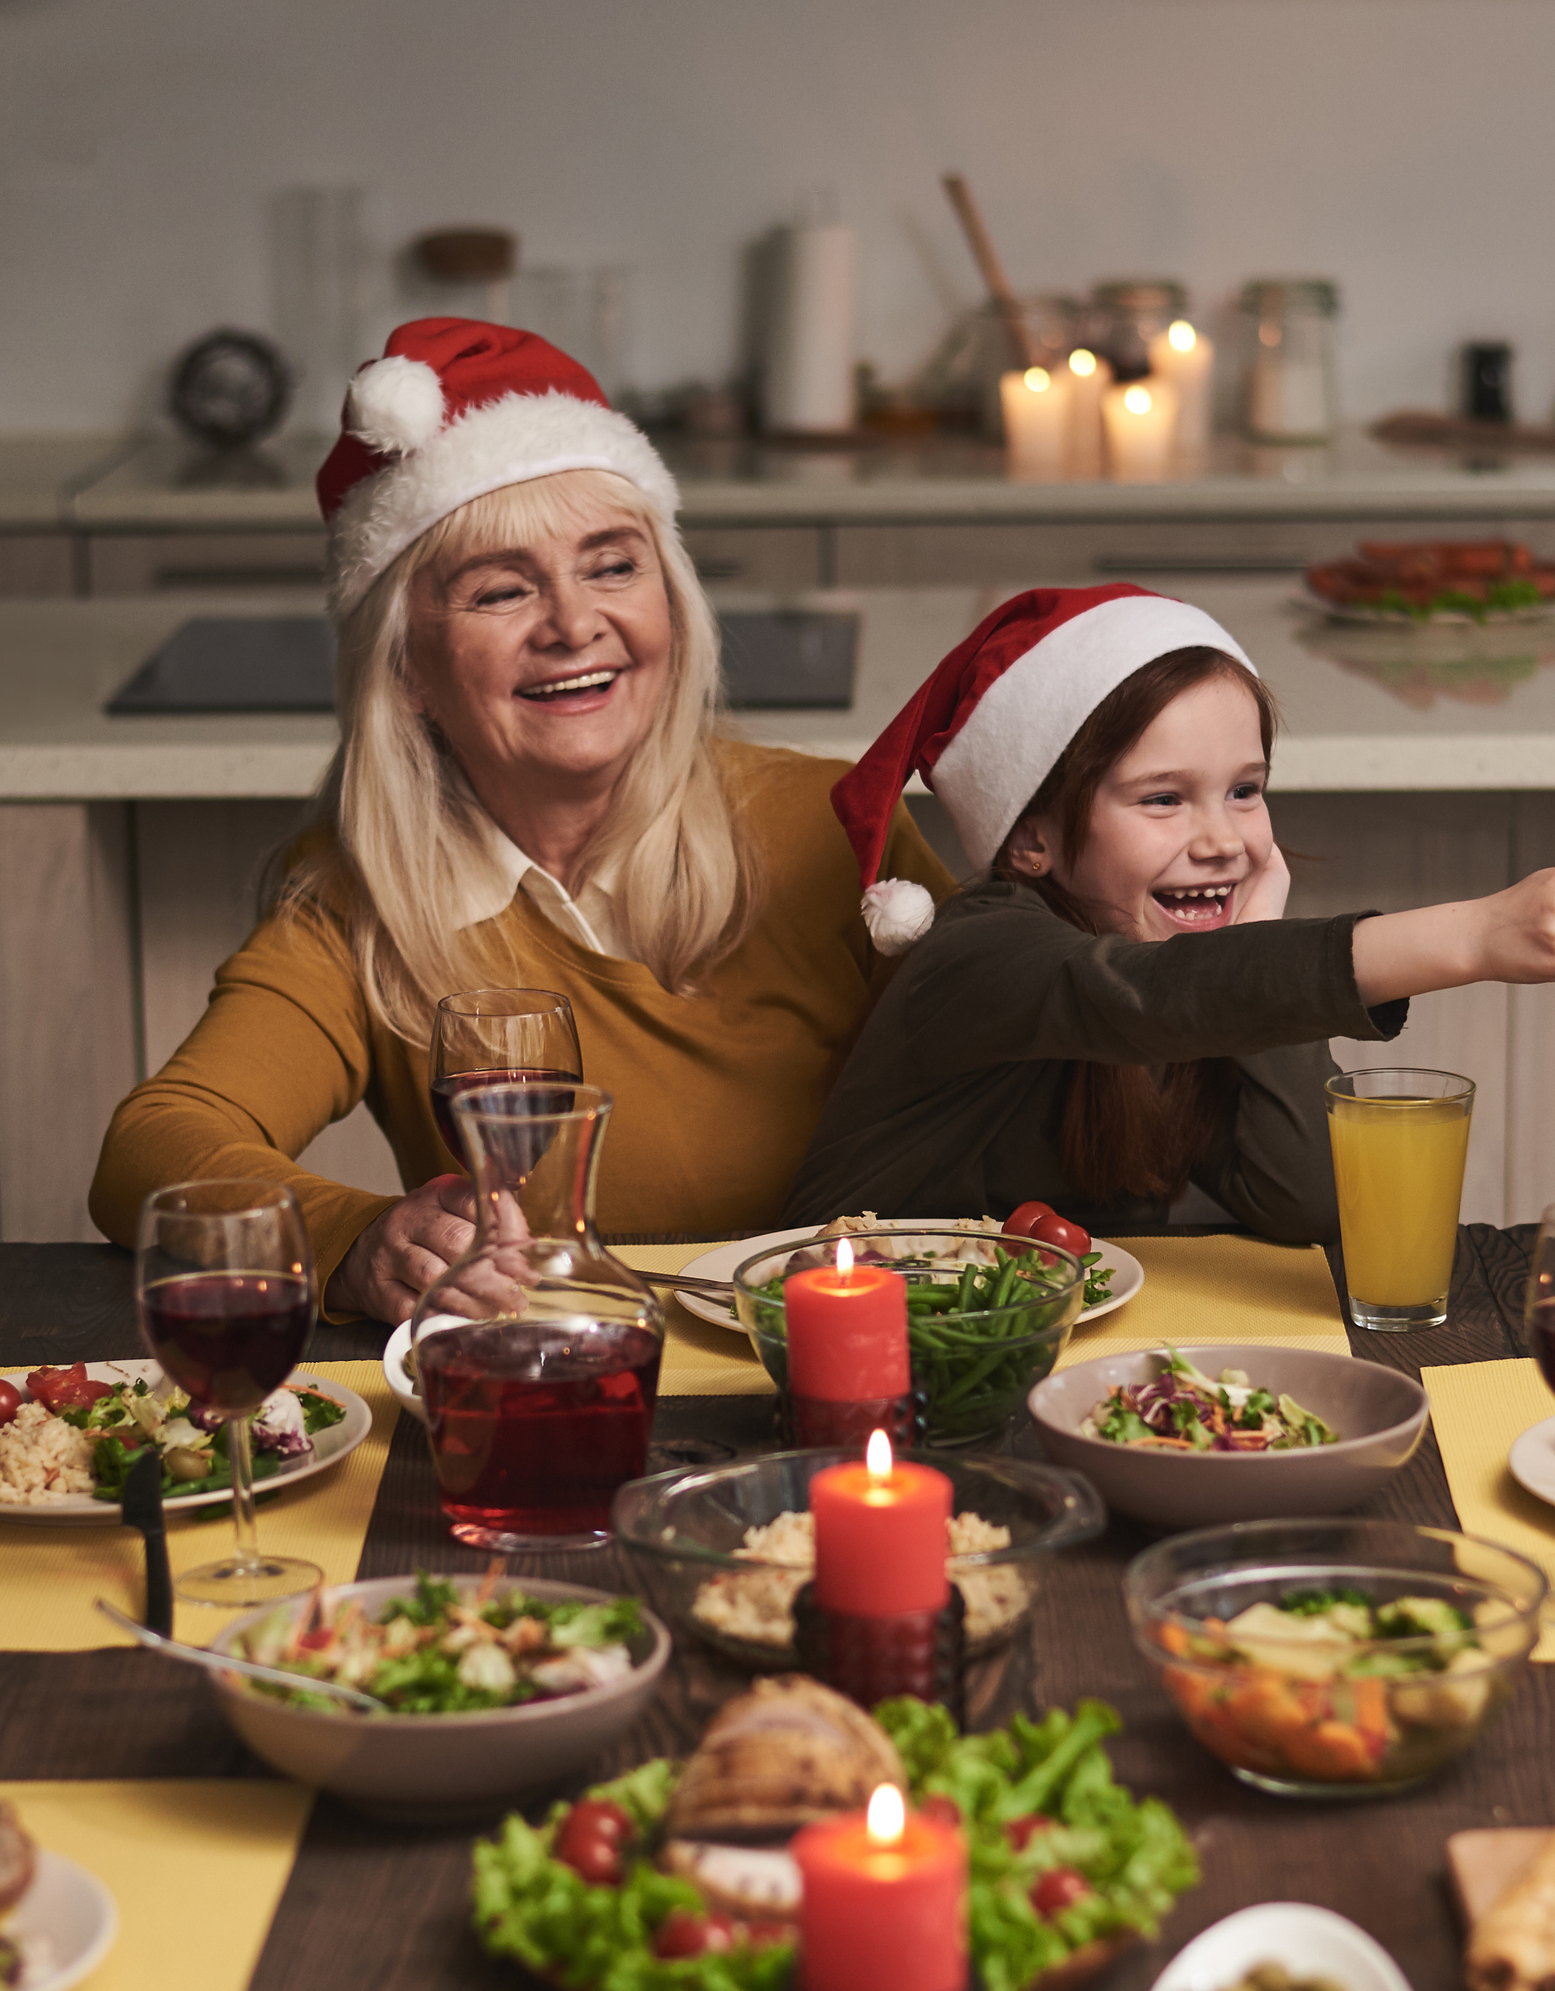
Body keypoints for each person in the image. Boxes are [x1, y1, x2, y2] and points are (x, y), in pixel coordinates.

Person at [87, 320, 950, 1324]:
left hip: (860, 1363)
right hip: (553, 1385)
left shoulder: (828, 826)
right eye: (501, 589)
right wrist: (356, 1240)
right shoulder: (362, 897)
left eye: (613, 567)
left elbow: (1025, 1083)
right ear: (408, 667)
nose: (574, 623)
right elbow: (153, 1143)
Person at [782, 585, 1555, 1235]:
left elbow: (1313, 1206)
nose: (1222, 839)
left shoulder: (1204, 980)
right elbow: (1148, 995)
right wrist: (1475, 934)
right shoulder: (978, 957)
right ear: (1031, 837)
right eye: (1163, 800)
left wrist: (1257, 943)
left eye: (1244, 790)